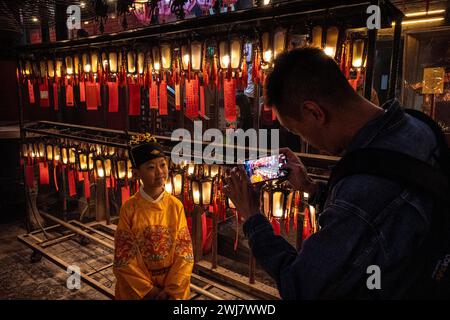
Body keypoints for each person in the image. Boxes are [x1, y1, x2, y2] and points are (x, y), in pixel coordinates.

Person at [223, 48, 440, 299]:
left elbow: (300, 287)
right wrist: (313, 190)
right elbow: (375, 221)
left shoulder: (363, 191)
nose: (305, 140)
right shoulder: (417, 127)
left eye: (298, 130)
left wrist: (252, 217)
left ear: (315, 112)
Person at [113, 133, 194, 300]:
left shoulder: (175, 206)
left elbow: (184, 252)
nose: (159, 172)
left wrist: (171, 290)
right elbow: (124, 256)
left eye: (162, 165)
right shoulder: (129, 209)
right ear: (136, 173)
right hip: (140, 290)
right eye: (150, 167)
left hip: (171, 286)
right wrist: (149, 292)